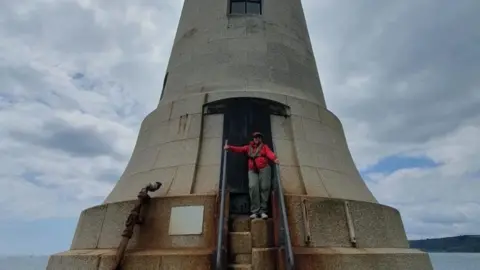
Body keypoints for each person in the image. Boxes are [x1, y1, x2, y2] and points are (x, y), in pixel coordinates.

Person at [224, 132, 280, 219]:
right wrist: (230, 148)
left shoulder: (264, 147)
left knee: (265, 187)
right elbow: (240, 149)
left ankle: (263, 211)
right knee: (253, 187)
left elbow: (269, 153)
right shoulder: (248, 147)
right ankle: (255, 211)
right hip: (252, 170)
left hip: (264, 168)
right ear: (253, 139)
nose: (256, 139)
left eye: (258, 137)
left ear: (261, 139)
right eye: (255, 137)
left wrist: (274, 158)